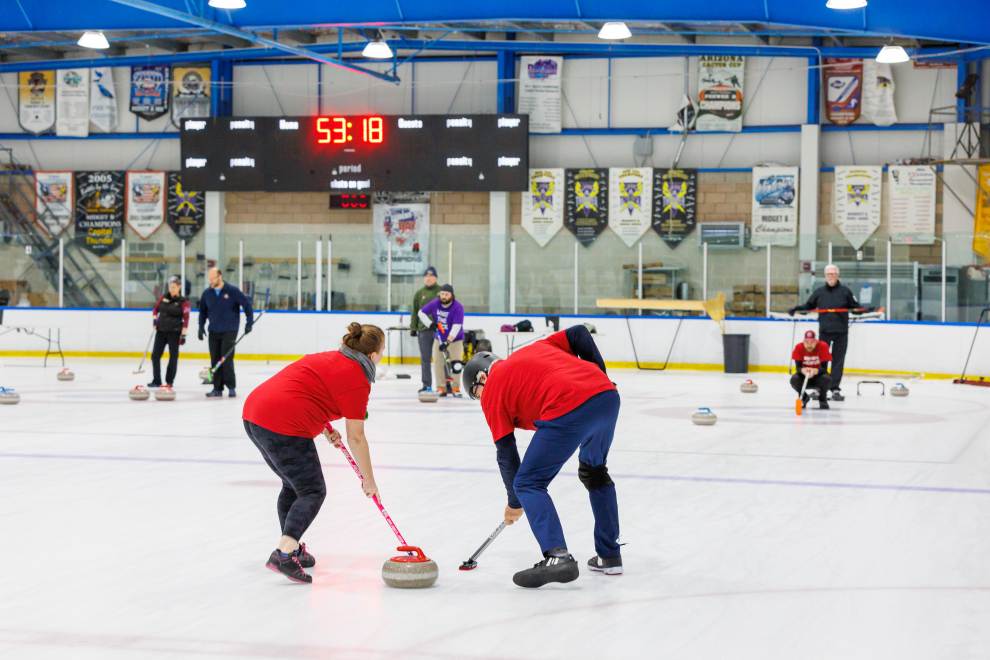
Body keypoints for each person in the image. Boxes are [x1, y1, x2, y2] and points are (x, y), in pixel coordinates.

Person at [461, 325, 621, 588]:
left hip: (567, 405)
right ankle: (610, 555)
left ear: (482, 376)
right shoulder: (535, 349)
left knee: (528, 483)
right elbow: (579, 333)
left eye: (475, 393)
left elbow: (506, 453)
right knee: (594, 472)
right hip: (607, 396)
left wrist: (515, 501)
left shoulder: (492, 389)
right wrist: (599, 376)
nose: (480, 399)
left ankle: (558, 556)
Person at [242, 322, 385, 584]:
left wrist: (325, 426)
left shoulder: (329, 357)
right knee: (312, 490)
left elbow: (305, 390)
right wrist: (369, 479)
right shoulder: (358, 380)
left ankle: (292, 547)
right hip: (282, 425)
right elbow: (356, 437)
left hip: (254, 414)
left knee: (294, 485)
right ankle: (284, 553)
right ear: (374, 355)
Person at [788, 264, 871, 402]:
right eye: (828, 274)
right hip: (825, 332)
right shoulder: (819, 292)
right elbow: (809, 306)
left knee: (838, 362)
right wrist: (796, 309)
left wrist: (867, 309)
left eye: (833, 274)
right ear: (825, 276)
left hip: (841, 332)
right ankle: (820, 387)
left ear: (837, 275)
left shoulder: (845, 291)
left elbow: (855, 307)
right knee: (822, 362)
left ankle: (835, 389)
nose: (831, 276)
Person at [198, 267, 253, 398]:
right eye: (209, 279)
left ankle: (231, 387)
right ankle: (217, 388)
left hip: (229, 330)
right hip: (213, 330)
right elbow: (203, 312)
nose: (211, 282)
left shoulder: (232, 291)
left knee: (226, 359)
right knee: (215, 360)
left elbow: (247, 305)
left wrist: (249, 322)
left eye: (213, 279)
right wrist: (201, 327)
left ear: (220, 276)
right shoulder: (207, 293)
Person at [417, 283, 465, 396]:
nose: (444, 296)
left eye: (446, 294)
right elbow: (421, 313)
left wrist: (448, 342)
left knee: (456, 364)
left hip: (455, 340)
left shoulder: (458, 307)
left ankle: (455, 388)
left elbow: (457, 326)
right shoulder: (435, 303)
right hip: (439, 339)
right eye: (442, 294)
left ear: (452, 295)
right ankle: (441, 387)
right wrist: (430, 324)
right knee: (438, 362)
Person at [149, 275, 190, 389]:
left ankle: (169, 381)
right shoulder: (163, 298)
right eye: (170, 287)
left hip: (174, 332)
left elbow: (186, 319)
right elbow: (155, 310)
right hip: (161, 331)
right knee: (155, 356)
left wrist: (183, 335)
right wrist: (154, 320)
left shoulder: (183, 302)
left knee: (173, 357)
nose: (171, 289)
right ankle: (157, 380)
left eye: (174, 287)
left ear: (179, 287)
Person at [410, 266, 441, 395]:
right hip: (423, 330)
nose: (428, 278)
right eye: (426, 276)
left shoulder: (441, 291)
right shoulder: (419, 293)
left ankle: (445, 385)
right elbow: (414, 311)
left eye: (431, 276)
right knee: (425, 359)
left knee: (441, 358)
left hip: (440, 330)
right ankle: (426, 384)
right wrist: (413, 327)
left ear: (436, 278)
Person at [790, 329, 832, 410]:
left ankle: (822, 399)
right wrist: (803, 370)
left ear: (816, 341)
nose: (809, 345)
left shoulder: (823, 346)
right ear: (803, 341)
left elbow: (824, 369)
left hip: (818, 377)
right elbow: (798, 368)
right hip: (804, 377)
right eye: (807, 342)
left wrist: (816, 371)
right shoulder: (799, 347)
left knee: (827, 379)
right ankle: (804, 398)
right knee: (794, 379)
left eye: (812, 342)